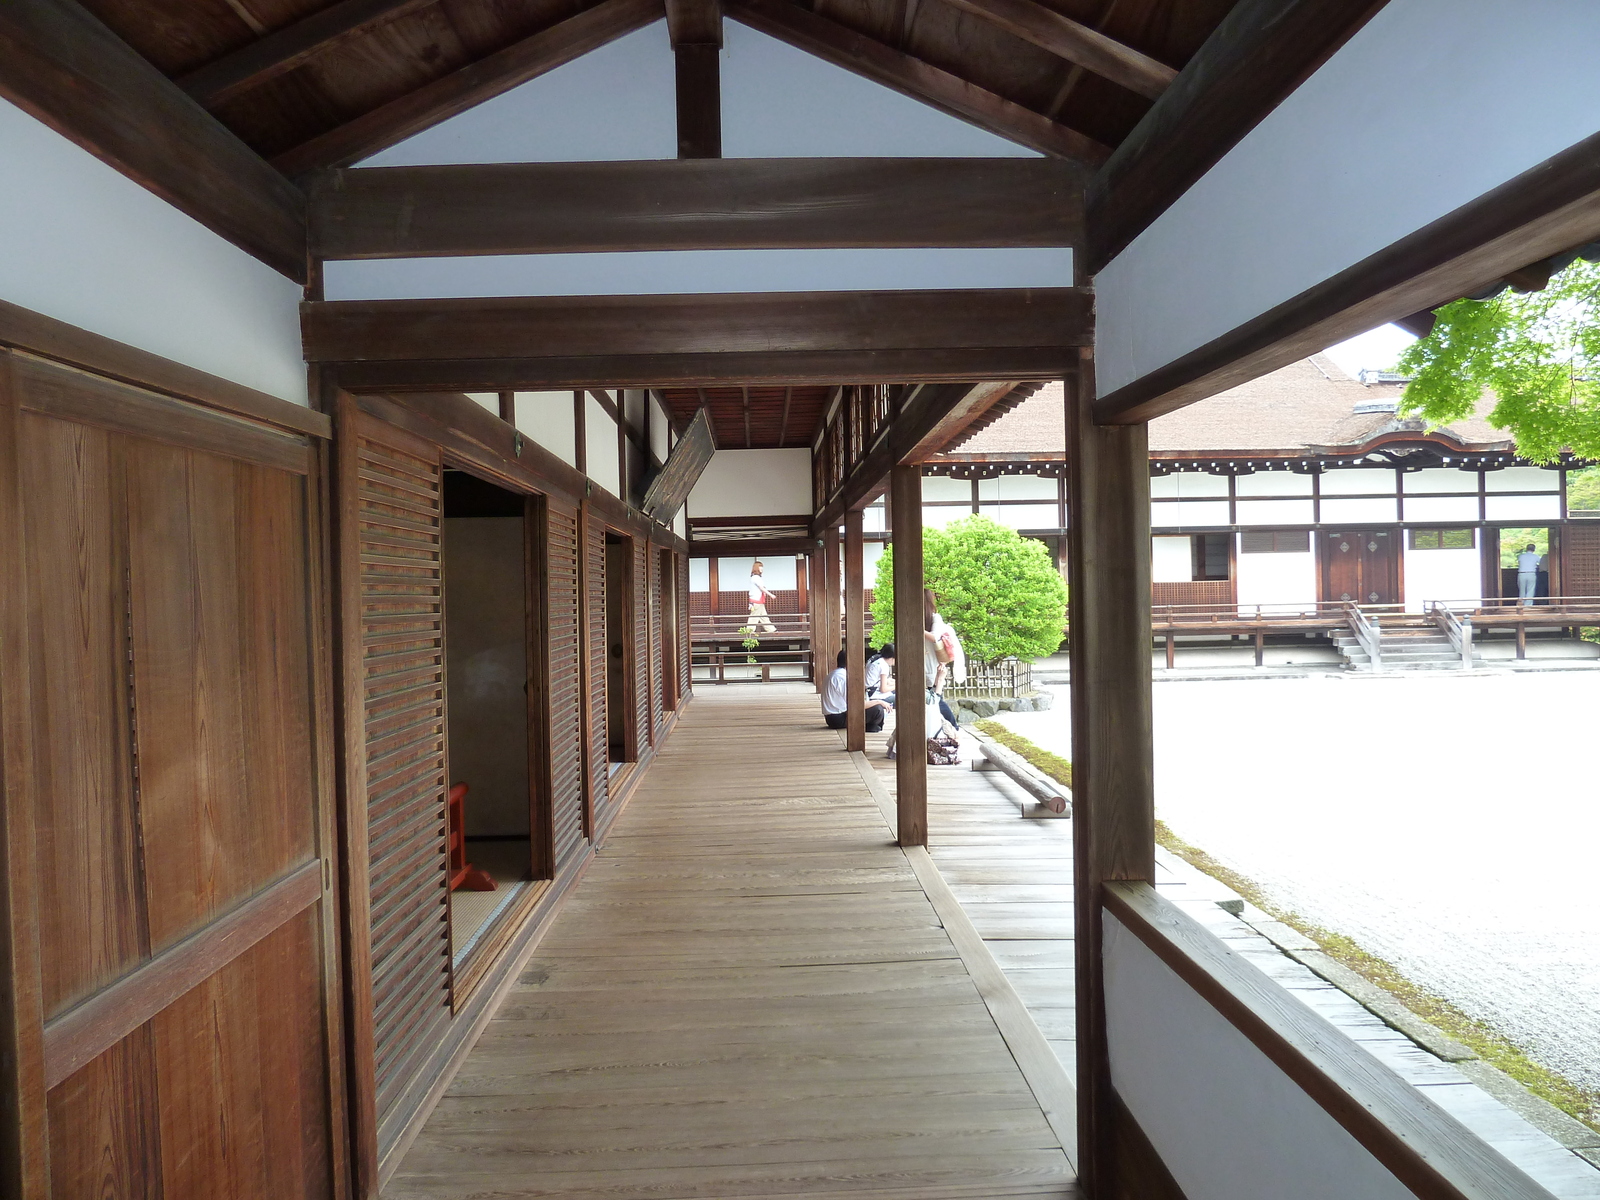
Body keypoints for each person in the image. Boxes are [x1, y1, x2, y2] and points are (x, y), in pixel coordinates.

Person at [821, 649, 890, 731]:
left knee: (875, 707)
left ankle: (871, 727)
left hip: (832, 718)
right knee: (877, 709)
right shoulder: (843, 678)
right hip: (838, 719)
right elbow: (856, 705)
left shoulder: (834, 674)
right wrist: (879, 701)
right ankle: (870, 727)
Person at [747, 560, 777, 634]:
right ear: (757, 568)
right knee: (754, 616)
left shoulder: (754, 577)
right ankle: (749, 631)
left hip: (757, 600)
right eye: (760, 567)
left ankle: (771, 629)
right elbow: (761, 588)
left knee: (763, 616)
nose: (762, 569)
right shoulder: (756, 578)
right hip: (756, 600)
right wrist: (771, 595)